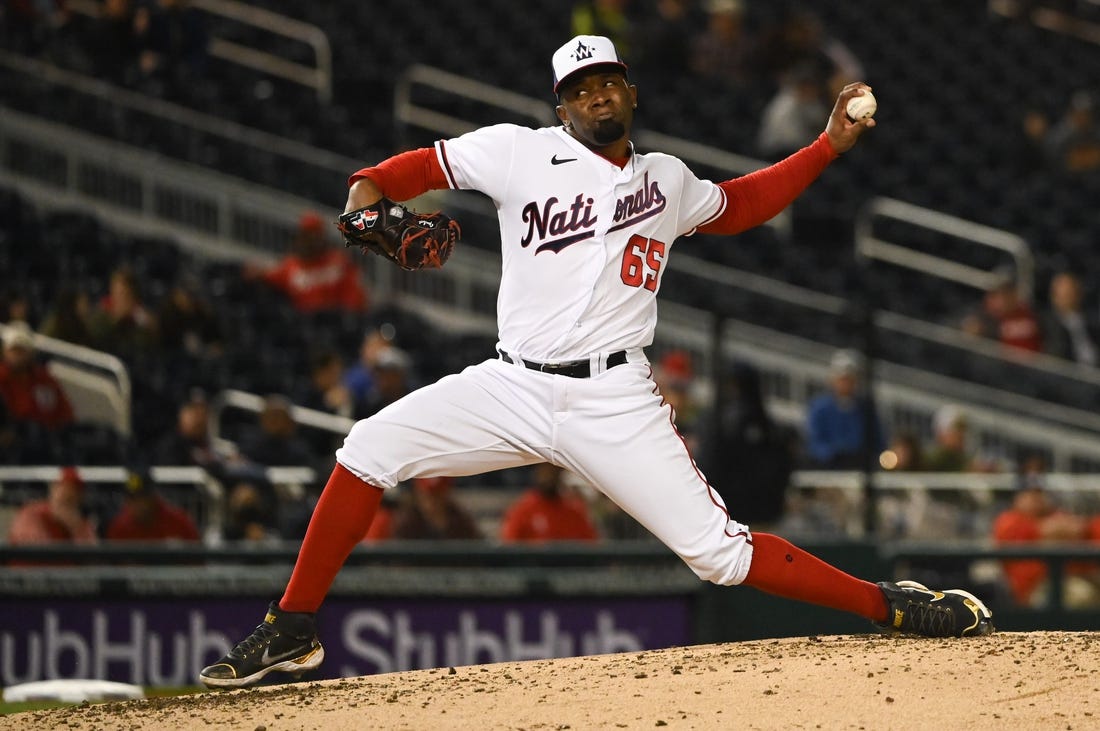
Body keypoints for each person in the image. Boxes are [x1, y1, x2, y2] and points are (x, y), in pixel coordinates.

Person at [199, 35, 992, 690]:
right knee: (367, 448)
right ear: (561, 106)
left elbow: (742, 205)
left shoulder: (667, 180)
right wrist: (362, 206)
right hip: (511, 382)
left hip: (614, 395)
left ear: (630, 93)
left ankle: (889, 605)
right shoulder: (516, 153)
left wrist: (824, 147)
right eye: (580, 89)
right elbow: (394, 174)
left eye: (608, 82)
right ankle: (292, 626)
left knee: (720, 555)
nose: (596, 97)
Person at [696, 361, 796, 527]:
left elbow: (781, 465)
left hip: (750, 515)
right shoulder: (718, 422)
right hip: (732, 517)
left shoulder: (764, 426)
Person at [992, 474, 1100, 609]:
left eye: (1039, 493)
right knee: (1082, 596)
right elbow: (1058, 530)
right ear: (1017, 498)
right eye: (1029, 494)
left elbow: (1082, 529)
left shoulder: (1055, 514)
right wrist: (1054, 531)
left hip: (1070, 577)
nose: (1035, 498)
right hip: (1033, 587)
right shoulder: (1009, 520)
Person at [243, 212, 369, 314]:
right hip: (306, 326)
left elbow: (356, 297)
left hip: (337, 323)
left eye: (315, 234)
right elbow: (264, 274)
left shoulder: (339, 261)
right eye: (307, 235)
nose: (311, 240)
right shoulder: (290, 265)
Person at [804, 349, 886, 469]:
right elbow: (815, 443)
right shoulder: (819, 408)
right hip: (828, 467)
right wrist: (834, 454)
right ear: (833, 380)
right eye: (842, 379)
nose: (846, 383)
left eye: (850, 379)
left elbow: (877, 442)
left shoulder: (866, 408)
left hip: (859, 467)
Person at [0, 322, 75, 432]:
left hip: (47, 439)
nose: (18, 355)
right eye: (14, 350)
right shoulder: (2, 379)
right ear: (4, 351)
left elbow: (65, 413)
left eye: (22, 350)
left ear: (31, 352)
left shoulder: (45, 379)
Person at [500, 463, 599, 543]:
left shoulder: (573, 508)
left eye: (553, 470)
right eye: (545, 470)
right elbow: (509, 543)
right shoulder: (523, 508)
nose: (549, 476)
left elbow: (590, 544)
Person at [7, 466, 97, 547]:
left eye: (76, 490)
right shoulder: (32, 512)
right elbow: (29, 548)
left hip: (64, 564)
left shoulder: (81, 524)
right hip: (33, 564)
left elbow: (92, 556)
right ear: (53, 488)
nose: (70, 494)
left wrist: (75, 528)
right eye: (65, 487)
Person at [105, 467, 201, 542]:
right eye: (132, 499)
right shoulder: (120, 527)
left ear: (152, 497)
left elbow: (197, 562)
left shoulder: (178, 521)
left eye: (141, 498)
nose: (137, 504)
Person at [389, 476, 483, 541]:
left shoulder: (461, 523)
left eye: (437, 494)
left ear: (447, 492)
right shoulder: (408, 524)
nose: (432, 501)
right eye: (427, 495)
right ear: (418, 492)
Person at [1040, 271, 1099, 367]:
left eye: (1072, 292)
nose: (1069, 297)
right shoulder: (1046, 323)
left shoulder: (1090, 321)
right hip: (1067, 376)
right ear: (1054, 296)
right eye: (1064, 294)